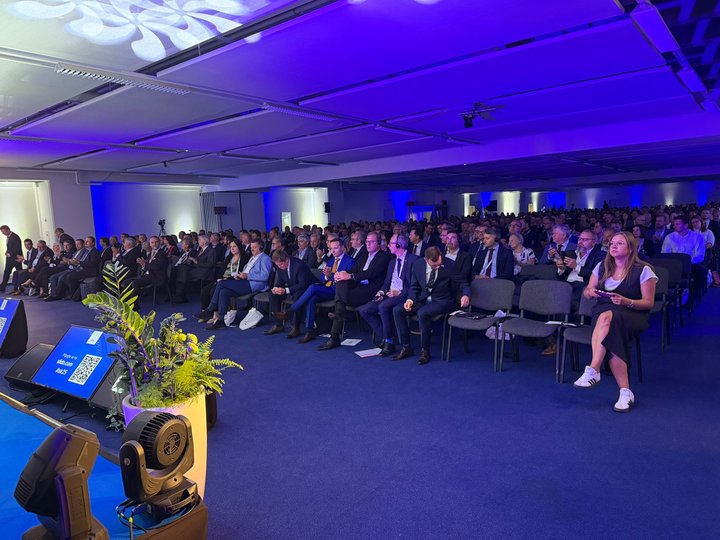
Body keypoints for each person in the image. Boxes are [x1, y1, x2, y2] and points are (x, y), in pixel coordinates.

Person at [574, 231, 657, 413]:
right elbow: (587, 291)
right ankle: (625, 392)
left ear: (631, 248)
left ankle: (594, 369)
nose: (613, 246)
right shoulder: (601, 267)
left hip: (633, 313)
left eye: (619, 243)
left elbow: (648, 303)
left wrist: (626, 301)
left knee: (608, 321)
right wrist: (591, 292)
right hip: (603, 313)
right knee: (610, 328)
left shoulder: (644, 270)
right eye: (612, 243)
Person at [392, 246, 470, 365]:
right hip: (423, 298)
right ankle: (406, 346)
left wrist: (465, 295)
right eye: (434, 265)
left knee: (423, 313)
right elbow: (414, 286)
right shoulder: (418, 265)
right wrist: (410, 300)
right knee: (398, 310)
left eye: (439, 264)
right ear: (426, 260)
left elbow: (463, 283)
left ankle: (425, 350)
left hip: (442, 300)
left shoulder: (450, 264)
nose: (437, 267)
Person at [318, 232, 391, 351]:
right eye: (367, 242)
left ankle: (335, 333)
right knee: (341, 282)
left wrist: (350, 276)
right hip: (358, 287)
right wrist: (342, 274)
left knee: (340, 300)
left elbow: (372, 273)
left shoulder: (384, 256)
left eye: (372, 242)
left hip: (372, 289)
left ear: (378, 243)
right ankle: (336, 330)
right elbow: (354, 269)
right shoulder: (364, 255)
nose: (368, 244)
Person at [273, 238, 353, 343]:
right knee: (312, 299)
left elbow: (346, 279)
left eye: (335, 248)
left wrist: (330, 276)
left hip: (338, 291)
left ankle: (289, 312)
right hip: (326, 288)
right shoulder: (331, 261)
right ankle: (309, 331)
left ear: (342, 248)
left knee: (312, 287)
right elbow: (322, 279)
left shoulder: (349, 260)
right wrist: (326, 276)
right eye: (331, 248)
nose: (333, 251)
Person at [359, 234, 418, 357]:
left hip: (403, 295)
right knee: (364, 310)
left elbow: (415, 285)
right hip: (389, 294)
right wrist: (381, 292)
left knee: (383, 306)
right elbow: (386, 283)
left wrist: (399, 292)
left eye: (391, 243)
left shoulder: (414, 260)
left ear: (399, 245)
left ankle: (389, 342)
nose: (388, 245)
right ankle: (387, 336)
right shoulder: (392, 262)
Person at [196, 239, 272, 330]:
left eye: (254, 247)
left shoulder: (265, 258)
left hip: (254, 284)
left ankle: (210, 309)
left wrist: (247, 275)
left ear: (261, 247)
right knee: (224, 292)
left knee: (221, 283)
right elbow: (246, 271)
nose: (252, 249)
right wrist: (240, 276)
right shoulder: (252, 258)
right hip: (244, 281)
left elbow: (264, 276)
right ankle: (221, 320)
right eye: (251, 247)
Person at [264, 250, 317, 338]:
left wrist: (286, 290)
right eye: (277, 265)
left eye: (280, 264)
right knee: (273, 295)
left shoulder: (299, 265)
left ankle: (295, 327)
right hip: (292, 288)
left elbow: (302, 284)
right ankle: (278, 324)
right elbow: (280, 281)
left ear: (286, 259)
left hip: (306, 289)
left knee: (297, 295)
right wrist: (276, 288)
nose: (279, 267)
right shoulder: (279, 265)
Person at [0, 225, 22, 292]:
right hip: (10, 259)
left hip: (16, 258)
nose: (2, 233)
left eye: (3, 231)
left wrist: (10, 254)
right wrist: (7, 252)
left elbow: (18, 248)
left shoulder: (15, 237)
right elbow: (10, 247)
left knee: (19, 272)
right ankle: (2, 287)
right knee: (6, 272)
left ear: (8, 230)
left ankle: (19, 287)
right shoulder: (9, 237)